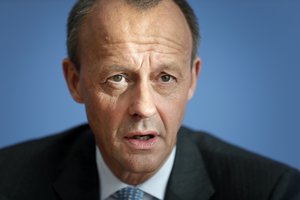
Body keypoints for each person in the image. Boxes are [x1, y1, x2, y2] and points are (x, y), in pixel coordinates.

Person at [0, 0, 299, 199]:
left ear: (192, 79)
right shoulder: (8, 181)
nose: (143, 107)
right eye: (117, 78)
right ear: (75, 82)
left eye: (165, 78)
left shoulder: (273, 191)